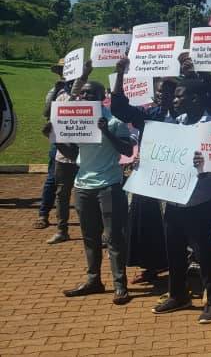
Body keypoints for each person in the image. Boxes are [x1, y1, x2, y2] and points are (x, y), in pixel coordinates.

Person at [150, 79, 211, 326]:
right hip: (174, 201)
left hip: (199, 203)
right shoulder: (175, 124)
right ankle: (178, 295)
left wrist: (205, 167)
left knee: (205, 254)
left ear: (195, 99)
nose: (174, 100)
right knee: (174, 251)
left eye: (179, 97)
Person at [56, 79, 133, 306]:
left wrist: (106, 131)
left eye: (91, 94)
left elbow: (127, 150)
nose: (85, 97)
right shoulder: (79, 120)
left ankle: (120, 284)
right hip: (83, 186)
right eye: (83, 94)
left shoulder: (115, 121)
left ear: (102, 97)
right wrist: (57, 139)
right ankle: (94, 280)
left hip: (108, 184)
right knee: (90, 236)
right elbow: (73, 154)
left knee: (113, 237)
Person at [109, 58, 172, 284]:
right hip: (148, 177)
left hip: (175, 179)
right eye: (160, 91)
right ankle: (150, 266)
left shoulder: (186, 117)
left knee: (172, 224)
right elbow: (119, 108)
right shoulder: (149, 115)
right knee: (144, 221)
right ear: (154, 94)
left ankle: (179, 266)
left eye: (169, 91)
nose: (164, 95)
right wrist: (120, 73)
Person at [35, 58, 68, 230]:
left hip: (81, 139)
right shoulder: (55, 90)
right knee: (52, 179)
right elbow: (46, 112)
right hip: (60, 140)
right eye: (63, 70)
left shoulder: (86, 89)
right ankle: (43, 214)